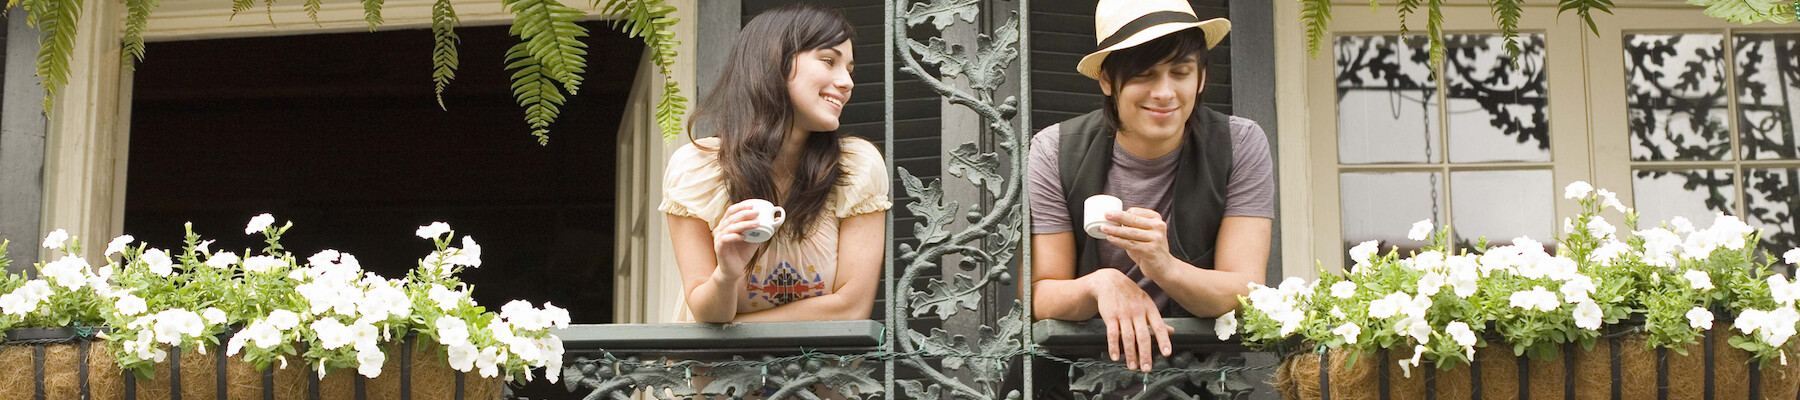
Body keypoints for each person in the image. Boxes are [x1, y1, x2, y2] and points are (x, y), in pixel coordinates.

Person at [1027, 0, 1275, 374]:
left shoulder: (1240, 143)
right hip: (1079, 380)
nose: (1164, 92)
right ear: (1107, 80)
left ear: (1201, 77)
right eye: (1144, 74)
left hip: (1196, 380)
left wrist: (1163, 266)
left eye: (1180, 72)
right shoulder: (1055, 149)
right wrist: (1102, 284)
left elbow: (1245, 290)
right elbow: (1041, 295)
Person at [662, 3, 889, 324]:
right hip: (717, 375)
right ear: (773, 64)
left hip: (819, 373)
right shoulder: (697, 168)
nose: (847, 82)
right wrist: (726, 273)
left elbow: (851, 309)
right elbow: (705, 309)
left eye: (849, 69)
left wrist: (733, 327)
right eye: (829, 61)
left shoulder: (856, 166)